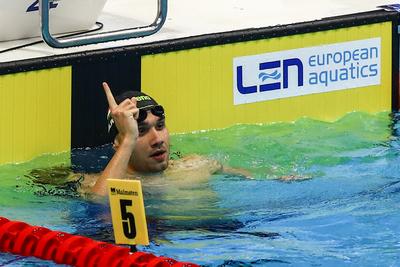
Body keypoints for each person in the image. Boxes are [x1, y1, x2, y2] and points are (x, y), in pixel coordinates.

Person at [89, 82, 245, 196]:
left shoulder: (196, 166)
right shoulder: (95, 184)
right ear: (118, 143)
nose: (157, 140)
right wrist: (130, 138)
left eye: (160, 126)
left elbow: (256, 180)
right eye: (141, 131)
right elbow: (99, 207)